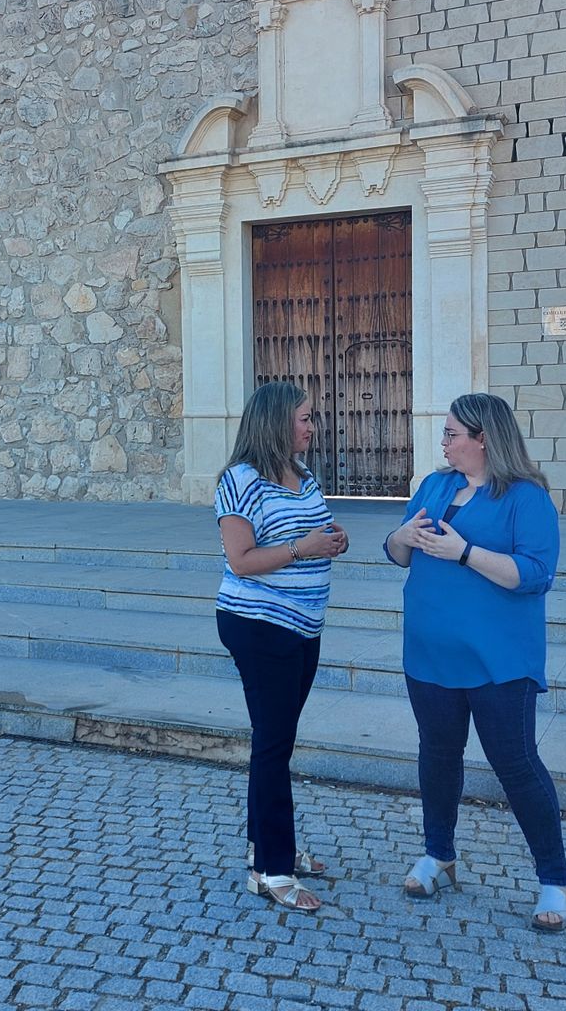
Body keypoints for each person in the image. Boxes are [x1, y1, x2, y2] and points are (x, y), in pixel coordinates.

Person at [383, 392, 566, 932]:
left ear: (483, 438)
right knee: (437, 756)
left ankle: (553, 880)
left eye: (451, 434)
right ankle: (438, 855)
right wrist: (402, 536)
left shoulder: (526, 497)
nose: (443, 442)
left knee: (516, 766)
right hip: (429, 654)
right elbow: (398, 552)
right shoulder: (435, 485)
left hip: (499, 660)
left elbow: (534, 574)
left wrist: (464, 552)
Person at [214, 381, 349, 912]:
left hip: (303, 626)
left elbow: (309, 536)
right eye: (303, 419)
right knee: (273, 743)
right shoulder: (240, 481)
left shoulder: (304, 477)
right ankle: (270, 869)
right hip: (259, 625)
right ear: (274, 423)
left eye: (311, 417)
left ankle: (267, 845)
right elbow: (242, 559)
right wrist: (303, 548)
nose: (312, 427)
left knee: (278, 740)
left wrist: (331, 540)